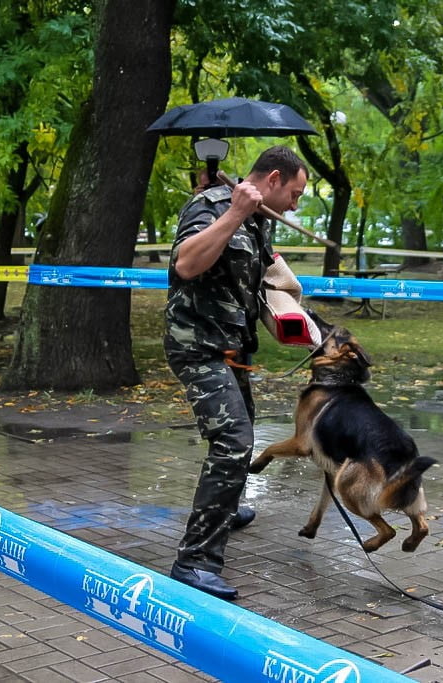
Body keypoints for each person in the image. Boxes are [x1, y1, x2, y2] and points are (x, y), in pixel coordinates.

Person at [164, 145, 308, 601]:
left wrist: (297, 317)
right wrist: (233, 215)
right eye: (295, 193)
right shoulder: (209, 206)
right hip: (196, 345)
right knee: (234, 441)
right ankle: (195, 561)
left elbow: (264, 278)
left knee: (243, 426)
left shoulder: (260, 219)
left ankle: (224, 509)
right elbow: (186, 265)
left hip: (231, 347)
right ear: (273, 180)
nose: (295, 204)